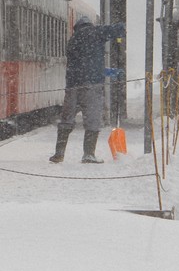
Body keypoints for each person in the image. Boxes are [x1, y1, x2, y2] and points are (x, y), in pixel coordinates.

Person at [50, 15, 125, 164]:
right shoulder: (95, 32)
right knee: (92, 119)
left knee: (66, 120)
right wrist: (123, 25)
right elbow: (117, 30)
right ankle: (89, 154)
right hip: (91, 87)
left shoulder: (72, 40)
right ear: (89, 25)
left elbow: (86, 65)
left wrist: (109, 72)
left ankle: (59, 153)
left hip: (72, 87)